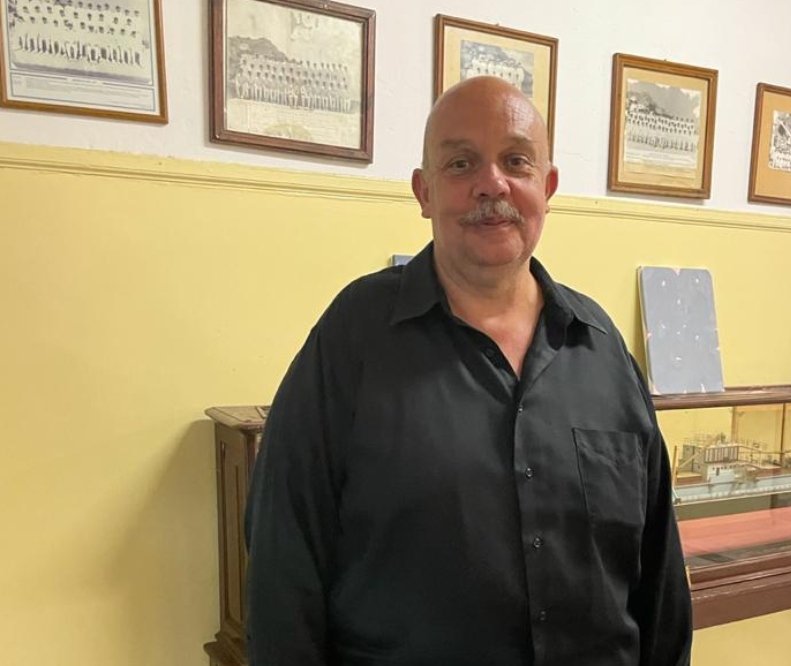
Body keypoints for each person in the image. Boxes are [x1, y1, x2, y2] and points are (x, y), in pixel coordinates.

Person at [244, 75, 693, 666]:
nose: (492, 184)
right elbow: (283, 556)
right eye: (461, 163)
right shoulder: (354, 339)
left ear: (547, 187)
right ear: (424, 191)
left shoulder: (602, 349)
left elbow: (659, 579)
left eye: (517, 161)